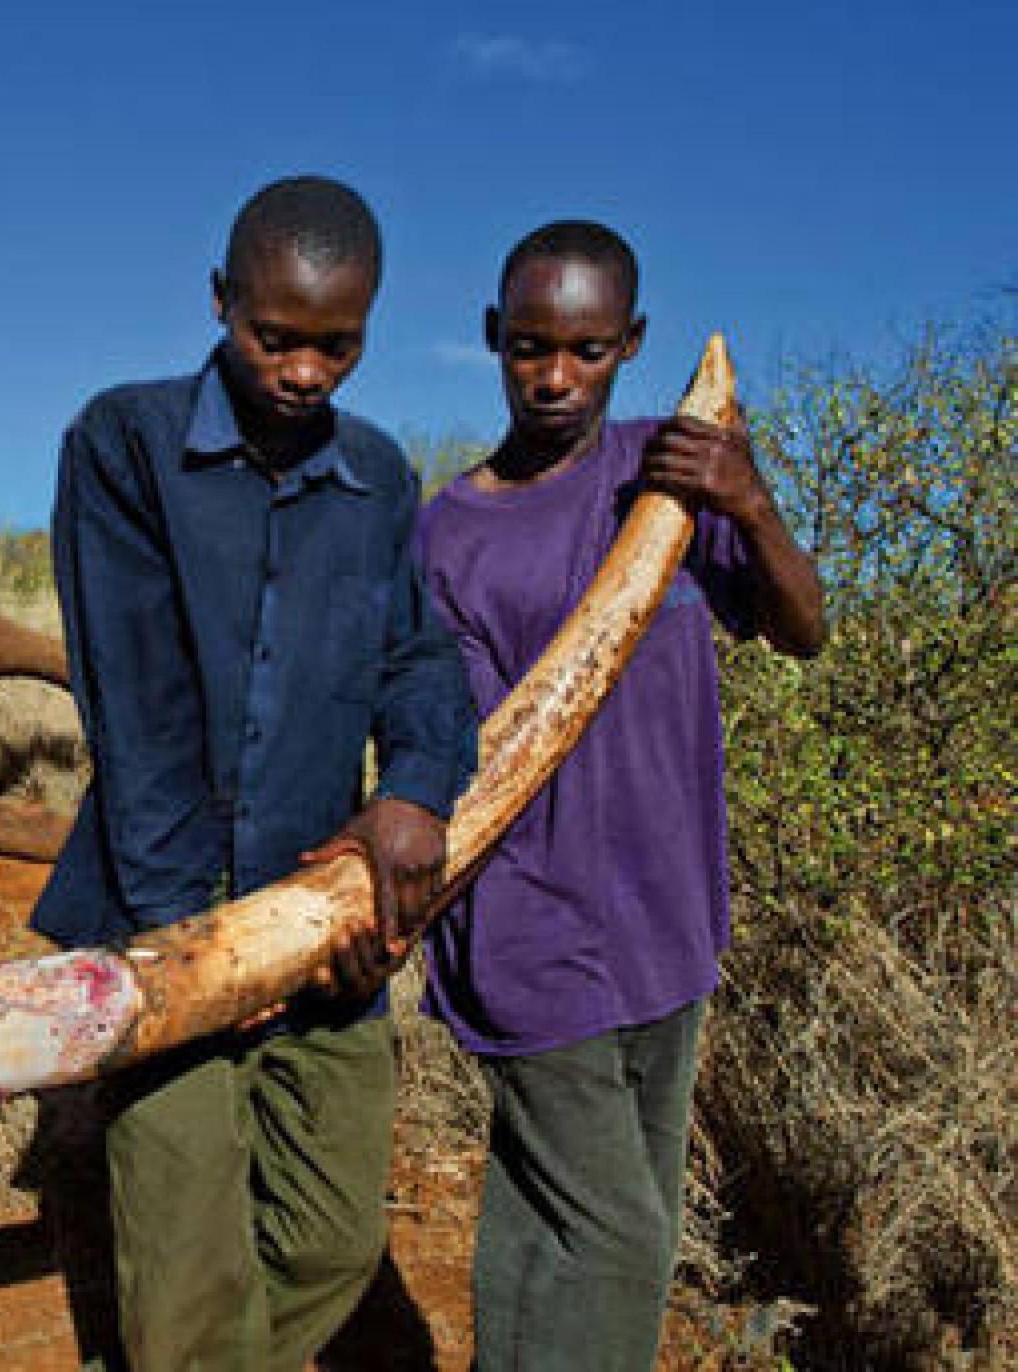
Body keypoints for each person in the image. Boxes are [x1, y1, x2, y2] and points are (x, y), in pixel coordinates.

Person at [31, 175, 476, 1371]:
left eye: (336, 343)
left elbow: (416, 656)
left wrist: (416, 790)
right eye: (271, 335)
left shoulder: (380, 478)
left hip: (333, 932)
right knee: (185, 1261)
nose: (302, 370)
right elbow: (136, 712)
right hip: (163, 922)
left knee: (331, 1239)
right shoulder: (123, 441)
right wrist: (221, 957)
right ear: (219, 299)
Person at [413, 221, 827, 1371]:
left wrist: (746, 503)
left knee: (552, 1206)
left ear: (630, 342)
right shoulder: (446, 534)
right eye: (530, 347)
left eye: (587, 350)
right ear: (493, 339)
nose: (554, 377)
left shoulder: (677, 471)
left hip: (667, 922)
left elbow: (802, 628)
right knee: (623, 1234)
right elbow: (464, 752)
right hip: (524, 929)